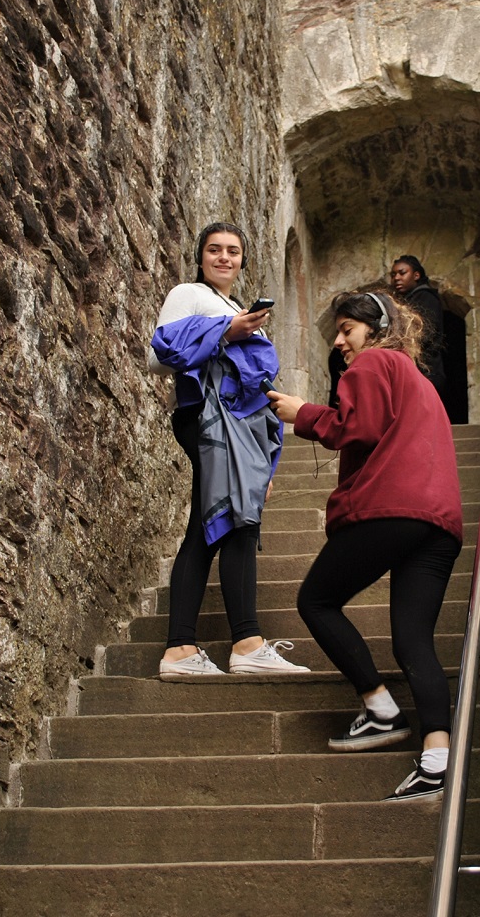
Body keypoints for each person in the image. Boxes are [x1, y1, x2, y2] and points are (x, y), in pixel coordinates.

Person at [265, 290, 465, 801]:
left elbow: (359, 427)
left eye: (347, 330)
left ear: (372, 330)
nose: (338, 341)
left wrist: (299, 412)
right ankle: (437, 761)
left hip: (391, 508)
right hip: (437, 523)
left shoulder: (375, 362)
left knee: (316, 600)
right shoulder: (417, 380)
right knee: (413, 640)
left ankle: (380, 709)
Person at [146, 222, 307, 678]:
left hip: (241, 427)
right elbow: (157, 357)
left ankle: (181, 647)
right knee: (235, 520)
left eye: (233, 251)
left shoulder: (237, 307)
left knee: (206, 527)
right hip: (208, 422)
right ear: (200, 257)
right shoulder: (189, 294)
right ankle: (245, 642)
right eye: (214, 250)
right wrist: (224, 332)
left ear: (242, 260)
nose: (223, 258)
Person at [389, 255, 468, 423]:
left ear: (416, 275)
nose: (396, 278)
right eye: (393, 274)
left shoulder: (424, 298)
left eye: (402, 273)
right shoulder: (411, 300)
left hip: (426, 372)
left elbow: (424, 334)